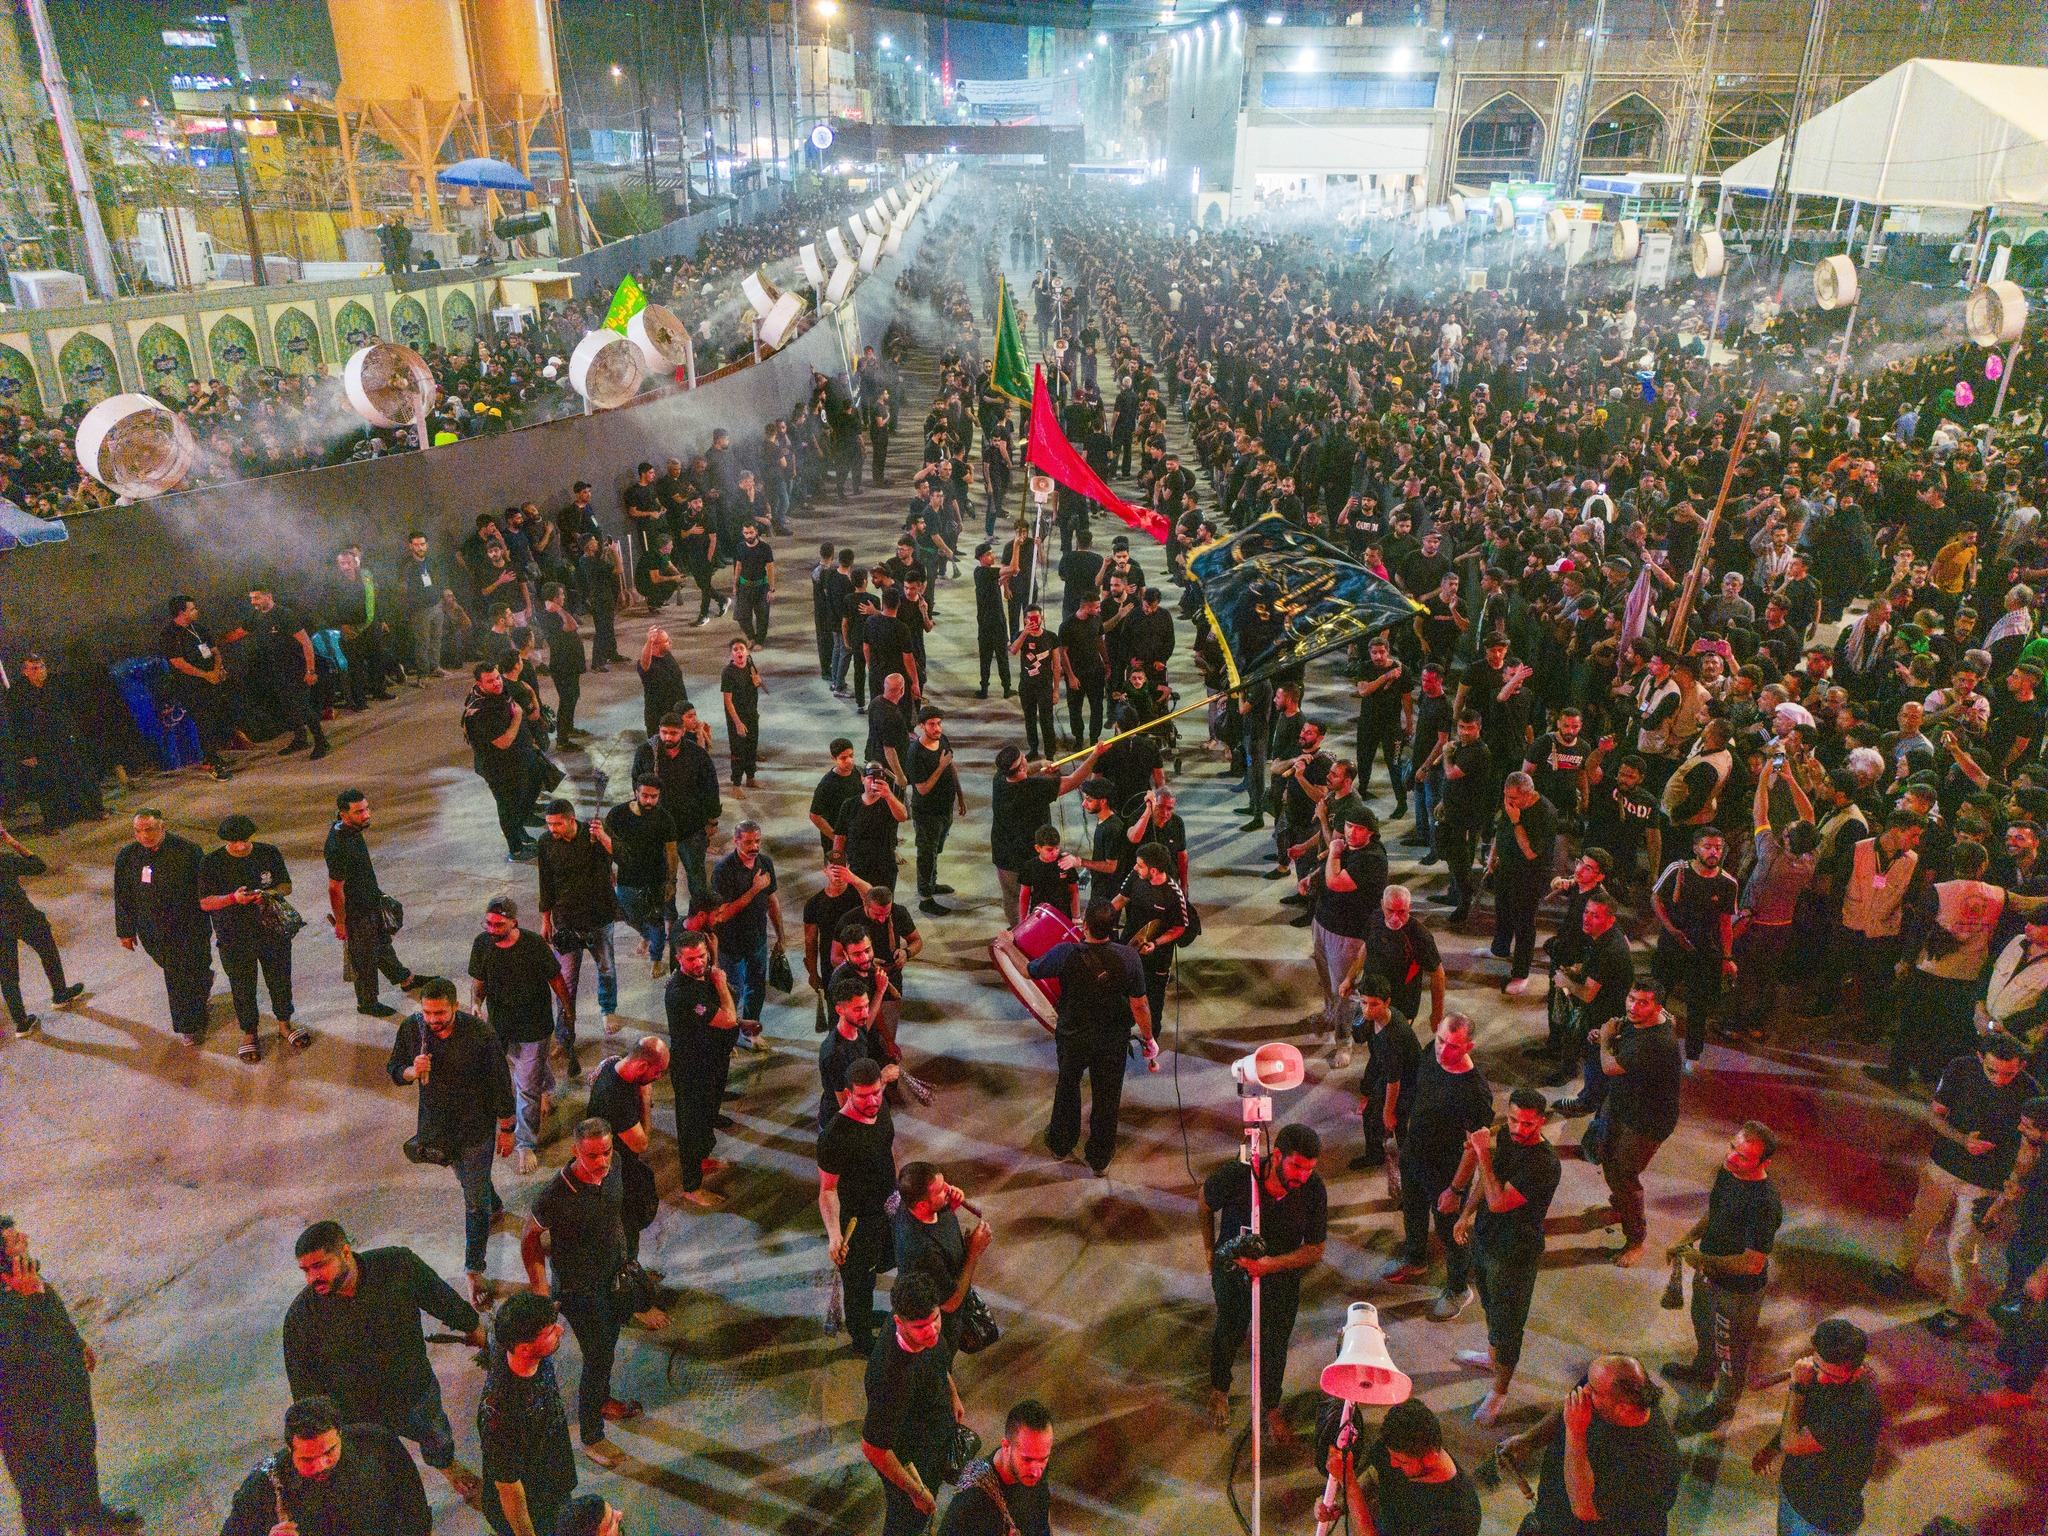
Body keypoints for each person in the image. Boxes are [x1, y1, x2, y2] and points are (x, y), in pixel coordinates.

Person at [283, 1220, 486, 1503]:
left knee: (436, 1437)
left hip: (414, 1390)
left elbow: (440, 1297)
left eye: (319, 1266)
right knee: (379, 1470)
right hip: (357, 1414)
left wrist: (473, 1326)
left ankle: (448, 1467)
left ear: (345, 1253)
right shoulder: (301, 1318)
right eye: (305, 1270)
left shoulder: (397, 1266)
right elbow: (304, 1386)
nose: (311, 1279)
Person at [521, 1120, 663, 1470]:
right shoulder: (556, 1194)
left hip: (613, 1281)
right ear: (575, 1151)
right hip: (580, 1292)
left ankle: (601, 1401)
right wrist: (541, 1290)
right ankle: (591, 1437)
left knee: (607, 1349)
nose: (602, 1162)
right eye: (592, 1156)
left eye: (606, 1152)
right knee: (598, 1359)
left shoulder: (614, 1168)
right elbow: (529, 1237)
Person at [1884, 1034, 2039, 1336]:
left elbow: (2028, 1148)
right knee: (1920, 1220)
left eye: (2009, 1073)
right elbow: (1935, 1115)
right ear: (1980, 1058)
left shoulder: (2031, 1093)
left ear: (2021, 1065)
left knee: (1963, 1247)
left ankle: (1959, 1308)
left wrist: (2010, 1189)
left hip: (1987, 1180)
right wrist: (1962, 1140)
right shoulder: (1959, 1068)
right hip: (1944, 1164)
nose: (1999, 1079)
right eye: (1992, 1070)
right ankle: (1900, 1269)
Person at [0, 1218, 138, 1536]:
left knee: (80, 1451)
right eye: (15, 1240)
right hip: (25, 1411)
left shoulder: (27, 1273)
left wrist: (77, 1344)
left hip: (65, 1386)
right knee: (39, 1486)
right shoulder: (13, 1292)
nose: (25, 1239)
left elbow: (54, 1313)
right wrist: (23, 1299)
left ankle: (87, 1516)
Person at [388, 977, 516, 1308]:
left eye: (440, 1013)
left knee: (473, 1202)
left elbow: (501, 1083)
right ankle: (494, 1204)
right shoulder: (412, 1029)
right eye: (427, 1013)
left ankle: (474, 1269)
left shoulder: (481, 1035)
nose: (433, 1020)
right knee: (471, 1181)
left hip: (475, 1130)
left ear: (456, 1007)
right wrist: (411, 1071)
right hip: (438, 1130)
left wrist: (507, 1128)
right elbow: (394, 1069)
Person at [1200, 1121, 1327, 1440]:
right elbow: (1204, 1200)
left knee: (1275, 1343)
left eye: (1309, 1169)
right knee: (1228, 1329)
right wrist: (1209, 1249)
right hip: (1233, 1271)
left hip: (1279, 1278)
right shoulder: (1238, 1175)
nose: (1303, 1176)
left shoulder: (1313, 1189)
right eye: (1297, 1166)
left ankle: (1271, 1405)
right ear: (1277, 1156)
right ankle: (1219, 1389)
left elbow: (1315, 1249)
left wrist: (1271, 1266)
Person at [1661, 1121, 1784, 1434]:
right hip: (1709, 1276)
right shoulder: (1729, 1172)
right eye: (1732, 1147)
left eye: (1743, 1156)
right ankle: (1703, 1371)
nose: (1731, 1157)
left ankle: (1723, 1405)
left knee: (1730, 1352)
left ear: (1765, 1163)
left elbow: (1753, 1264)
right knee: (1704, 1327)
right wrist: (1686, 1239)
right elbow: (1714, 1214)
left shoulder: (1765, 1204)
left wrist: (1702, 1260)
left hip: (1737, 1293)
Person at [1448, 1087, 1561, 1425]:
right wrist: (1465, 1214)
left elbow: (1498, 1201)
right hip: (1486, 1241)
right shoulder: (1508, 1140)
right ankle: (1491, 1356)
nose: (1517, 1129)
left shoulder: (1544, 1164)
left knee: (1509, 1324)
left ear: (1541, 1122)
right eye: (1512, 1120)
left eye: (1527, 1124)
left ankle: (1499, 1391)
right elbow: (1487, 1182)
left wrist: (1482, 1151)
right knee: (1490, 1307)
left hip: (1515, 1254)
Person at [1025, 904, 1156, 1174]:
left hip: (1073, 1036)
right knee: (1107, 1097)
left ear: (1085, 926)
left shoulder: (1065, 953)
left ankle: (1061, 1142)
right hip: (1111, 1039)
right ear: (1113, 928)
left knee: (1067, 1088)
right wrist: (1149, 1038)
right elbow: (1140, 1005)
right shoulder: (1130, 958)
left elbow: (1030, 971)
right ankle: (1099, 1158)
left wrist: (1006, 946)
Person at [1382, 1014, 1493, 1319]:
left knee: (1450, 1232)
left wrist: (1455, 1190)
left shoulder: (1475, 1091)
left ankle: (1458, 1289)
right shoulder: (1431, 1053)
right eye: (1441, 1040)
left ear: (1469, 1047)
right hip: (1415, 1155)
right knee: (1413, 1211)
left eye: (1454, 1046)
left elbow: (1475, 1148)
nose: (1443, 1050)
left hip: (1446, 1172)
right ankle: (1415, 1258)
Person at [1501, 1355, 1680, 1536]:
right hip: (1549, 1517)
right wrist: (1529, 1440)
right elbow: (1571, 1405)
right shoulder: (1606, 1376)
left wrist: (1575, 1431)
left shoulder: (1652, 1465)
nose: (1585, 1389)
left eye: (1593, 1390)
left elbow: (1585, 1509)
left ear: (1623, 1408)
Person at [217, 1396, 429, 1536]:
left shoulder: (377, 1445)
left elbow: (415, 1508)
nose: (320, 1465)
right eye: (307, 1459)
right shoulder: (264, 1484)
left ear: (340, 1435)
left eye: (329, 1452)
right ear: (290, 1450)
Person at [470, 896, 574, 1174]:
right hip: (500, 1027)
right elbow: (479, 981)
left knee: (525, 1087)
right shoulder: (482, 944)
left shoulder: (534, 945)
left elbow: (556, 980)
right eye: (488, 923)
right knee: (526, 1070)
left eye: (498, 925)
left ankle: (525, 1143)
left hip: (533, 1029)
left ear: (513, 922)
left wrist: (568, 1010)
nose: (491, 929)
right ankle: (547, 1087)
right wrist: (476, 1004)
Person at [860, 1273, 963, 1536]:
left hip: (931, 1441)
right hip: (911, 1463)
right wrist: (916, 1492)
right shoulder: (890, 1379)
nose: (932, 1331)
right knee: (906, 1524)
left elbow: (938, 1361)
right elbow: (873, 1448)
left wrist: (952, 1394)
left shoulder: (923, 1329)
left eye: (935, 1319)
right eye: (920, 1327)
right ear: (899, 1322)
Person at [1594, 980, 1686, 1267]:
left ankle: (1636, 1239)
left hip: (1646, 1121)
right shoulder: (1644, 1022)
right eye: (1631, 998)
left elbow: (1610, 1067)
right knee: (1607, 1157)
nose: (1633, 1007)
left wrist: (1606, 1040)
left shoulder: (1657, 1042)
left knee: (1625, 1175)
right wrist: (1608, 1039)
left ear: (1657, 1007)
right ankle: (1621, 1205)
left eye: (1643, 1002)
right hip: (1623, 1104)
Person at [200, 813, 302, 1062]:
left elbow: (286, 886)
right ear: (225, 841)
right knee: (242, 986)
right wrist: (233, 899)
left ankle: (284, 1024)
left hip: (271, 931)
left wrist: (267, 894)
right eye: (234, 842)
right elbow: (205, 902)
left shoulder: (268, 853)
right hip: (234, 936)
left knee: (280, 979)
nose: (241, 846)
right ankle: (249, 1033)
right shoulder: (211, 862)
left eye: (245, 840)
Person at [1770, 1319, 1883, 1536]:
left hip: (1820, 1518)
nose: (1821, 1379)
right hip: (1796, 1493)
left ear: (1857, 1371)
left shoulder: (1855, 1410)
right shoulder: (1825, 1374)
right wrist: (1771, 1448)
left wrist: (1797, 1387)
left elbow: (1791, 1443)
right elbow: (1801, 1418)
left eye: (1832, 1376)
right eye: (1818, 1366)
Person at [478, 1292, 578, 1536]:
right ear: (524, 1349)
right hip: (534, 1504)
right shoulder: (500, 1417)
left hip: (552, 1473)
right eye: (550, 1332)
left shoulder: (515, 1345)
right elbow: (510, 1493)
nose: (561, 1331)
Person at [819, 1057, 899, 1356]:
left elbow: (887, 1147)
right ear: (848, 1093)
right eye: (863, 1096)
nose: (872, 1101)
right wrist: (834, 1235)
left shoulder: (881, 1108)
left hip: (886, 1210)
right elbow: (827, 1190)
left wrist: (897, 1191)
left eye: (876, 1092)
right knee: (859, 1283)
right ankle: (861, 1336)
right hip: (857, 1222)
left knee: (881, 1265)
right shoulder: (835, 1136)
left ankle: (864, 1316)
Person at [113, 808, 213, 1043]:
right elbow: (123, 894)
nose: (144, 836)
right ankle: (200, 990)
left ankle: (189, 1026)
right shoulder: (128, 856)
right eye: (138, 831)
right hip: (153, 930)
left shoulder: (188, 851)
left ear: (162, 827)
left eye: (149, 830)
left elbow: (205, 889)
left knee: (181, 975)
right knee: (181, 973)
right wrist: (125, 931)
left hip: (188, 926)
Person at [326, 789, 423, 1017]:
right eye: (359, 812)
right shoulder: (338, 846)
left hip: (370, 902)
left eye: (366, 808)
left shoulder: (353, 829)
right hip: (356, 912)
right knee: (364, 958)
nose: (366, 815)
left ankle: (405, 979)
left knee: (382, 945)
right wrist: (341, 922)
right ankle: (367, 1003)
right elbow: (335, 888)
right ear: (343, 814)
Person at [1319, 1398, 1480, 1536]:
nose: (1392, 1463)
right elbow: (1373, 1476)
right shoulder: (1394, 1447)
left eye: (1402, 1461)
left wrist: (1349, 1482)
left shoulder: (1457, 1518)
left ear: (1430, 1458)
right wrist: (1340, 1505)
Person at [537, 800, 619, 1064]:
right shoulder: (546, 843)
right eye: (549, 824)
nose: (552, 829)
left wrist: (603, 837)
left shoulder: (594, 835)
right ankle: (564, 1037)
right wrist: (546, 920)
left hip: (599, 918)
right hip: (566, 922)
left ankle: (608, 1009)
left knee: (606, 969)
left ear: (571, 820)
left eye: (557, 824)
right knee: (566, 983)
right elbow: (545, 882)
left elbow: (622, 857)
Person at [1650, 827, 1742, 1063]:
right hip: (1672, 946)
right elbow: (1656, 898)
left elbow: (1725, 923)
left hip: (1704, 951)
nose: (1713, 852)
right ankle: (1648, 1045)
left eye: (1718, 848)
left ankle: (1693, 1056)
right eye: (1707, 847)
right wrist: (1671, 929)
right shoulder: (1677, 869)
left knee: (1698, 1006)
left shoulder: (1728, 883)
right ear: (1695, 849)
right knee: (1657, 995)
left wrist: (1727, 957)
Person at [665, 931, 741, 1208]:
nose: (698, 963)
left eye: (702, 956)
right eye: (691, 959)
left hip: (712, 1061)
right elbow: (728, 1018)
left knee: (707, 1117)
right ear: (678, 959)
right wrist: (720, 984)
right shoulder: (681, 993)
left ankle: (702, 1159)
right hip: (691, 1068)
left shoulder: (703, 975)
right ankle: (692, 1187)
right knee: (691, 1125)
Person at [892, 1162, 995, 1353]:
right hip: (946, 1321)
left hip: (949, 1279)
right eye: (940, 1189)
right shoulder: (923, 1250)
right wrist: (973, 1252)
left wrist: (951, 1206)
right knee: (945, 1352)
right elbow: (950, 1303)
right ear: (922, 1204)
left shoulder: (914, 1205)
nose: (948, 1188)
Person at [583, 1036, 668, 1261]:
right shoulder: (615, 1097)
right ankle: (627, 1270)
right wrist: (645, 1099)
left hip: (613, 1163)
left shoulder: (614, 1063)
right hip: (612, 1171)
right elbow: (641, 1144)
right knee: (626, 1228)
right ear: (641, 1065)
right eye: (657, 1072)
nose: (658, 1078)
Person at [0, 822, 83, 1037]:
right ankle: (60, 993)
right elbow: (38, 866)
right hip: (21, 915)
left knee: (7, 975)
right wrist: (12, 842)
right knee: (47, 950)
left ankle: (21, 1023)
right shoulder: (4, 861)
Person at [632, 710, 721, 906]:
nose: (668, 737)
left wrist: (713, 819)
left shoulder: (697, 755)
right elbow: (636, 784)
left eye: (673, 733)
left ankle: (698, 916)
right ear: (659, 730)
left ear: (683, 732)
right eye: (664, 732)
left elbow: (711, 787)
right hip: (659, 830)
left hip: (690, 829)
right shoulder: (646, 752)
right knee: (663, 878)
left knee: (696, 876)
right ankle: (668, 918)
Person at [9, 653, 106, 832]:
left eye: (42, 667)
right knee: (50, 783)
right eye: (35, 669)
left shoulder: (57, 684)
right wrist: (25, 752)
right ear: (25, 672)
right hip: (41, 745)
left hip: (67, 738)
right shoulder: (17, 694)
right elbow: (16, 725)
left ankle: (93, 810)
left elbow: (73, 708)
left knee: (81, 774)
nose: (40, 671)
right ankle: (55, 821)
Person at [708, 820, 782, 1042]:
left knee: (756, 989)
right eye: (748, 842)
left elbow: (772, 901)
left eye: (757, 841)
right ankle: (726, 1039)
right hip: (731, 944)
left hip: (757, 940)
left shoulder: (765, 863)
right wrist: (754, 889)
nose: (754, 847)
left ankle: (750, 1032)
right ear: (736, 841)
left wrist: (780, 936)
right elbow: (723, 914)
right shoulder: (723, 870)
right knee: (732, 992)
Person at [1486, 771, 1558, 993]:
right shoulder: (1511, 803)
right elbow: (1501, 829)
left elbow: (1530, 852)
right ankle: (1499, 949)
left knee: (1523, 923)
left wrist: (1516, 821)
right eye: (1506, 796)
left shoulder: (1545, 812)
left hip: (1529, 875)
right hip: (1506, 868)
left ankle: (1520, 973)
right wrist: (1493, 855)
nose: (1508, 802)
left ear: (1528, 794)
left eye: (1513, 798)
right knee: (1502, 911)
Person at [938, 1399, 1054, 1536]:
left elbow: (1043, 1523)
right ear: (1006, 1446)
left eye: (1043, 1458)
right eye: (1027, 1459)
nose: (1036, 1472)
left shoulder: (1036, 1466)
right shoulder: (972, 1495)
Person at [242, 583, 331, 760]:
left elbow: (306, 642)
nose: (253, 602)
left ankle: (321, 741)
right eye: (251, 598)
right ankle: (300, 738)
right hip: (275, 670)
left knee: (303, 707)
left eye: (257, 598)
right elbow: (240, 632)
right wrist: (216, 643)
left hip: (295, 668)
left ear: (269, 596)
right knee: (288, 708)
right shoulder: (255, 616)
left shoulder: (285, 615)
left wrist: (310, 670)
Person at [465, 659, 542, 860]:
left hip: (516, 761)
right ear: (479, 684)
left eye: (497, 678)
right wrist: (518, 717)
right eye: (490, 681)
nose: (497, 683)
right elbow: (504, 742)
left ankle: (519, 832)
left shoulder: (499, 691)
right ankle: (516, 850)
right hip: (498, 769)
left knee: (520, 800)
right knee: (507, 807)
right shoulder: (479, 712)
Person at [606, 779, 679, 977]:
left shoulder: (664, 818)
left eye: (654, 797)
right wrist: (608, 869)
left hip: (655, 878)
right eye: (645, 796)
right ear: (635, 793)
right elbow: (607, 843)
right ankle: (645, 935)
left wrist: (671, 881)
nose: (649, 801)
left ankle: (656, 958)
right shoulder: (617, 814)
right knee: (629, 915)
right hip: (627, 876)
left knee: (655, 920)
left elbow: (671, 852)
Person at [158, 594, 235, 781]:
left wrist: (216, 671)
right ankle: (213, 764)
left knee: (216, 719)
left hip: (211, 683)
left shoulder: (199, 629)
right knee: (204, 722)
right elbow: (178, 663)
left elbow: (215, 652)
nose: (196, 611)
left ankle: (211, 757)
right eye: (192, 608)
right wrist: (205, 675)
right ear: (181, 612)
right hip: (190, 687)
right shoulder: (169, 634)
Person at [909, 707, 966, 916]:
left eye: (939, 723)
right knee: (926, 853)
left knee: (936, 850)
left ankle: (932, 884)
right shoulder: (915, 753)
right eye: (932, 724)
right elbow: (922, 789)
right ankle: (925, 898)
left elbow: (951, 766)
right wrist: (941, 766)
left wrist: (960, 795)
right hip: (927, 813)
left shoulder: (943, 740)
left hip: (944, 809)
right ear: (921, 726)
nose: (937, 728)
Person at [536, 583, 587, 750]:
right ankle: (562, 740)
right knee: (567, 700)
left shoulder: (556, 613)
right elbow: (573, 625)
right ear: (554, 599)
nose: (564, 597)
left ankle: (569, 728)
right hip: (563, 665)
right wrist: (559, 610)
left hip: (570, 662)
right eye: (561, 595)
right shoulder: (549, 616)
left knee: (573, 695)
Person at [720, 638, 764, 786]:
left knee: (752, 746)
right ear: (731, 654)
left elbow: (756, 681)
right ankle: (737, 784)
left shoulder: (750, 663)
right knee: (738, 750)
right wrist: (738, 723)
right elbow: (728, 701)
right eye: (735, 649)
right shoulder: (728, 673)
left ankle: (751, 777)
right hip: (737, 717)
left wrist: (758, 681)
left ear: (747, 652)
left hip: (752, 714)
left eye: (741, 648)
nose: (739, 651)